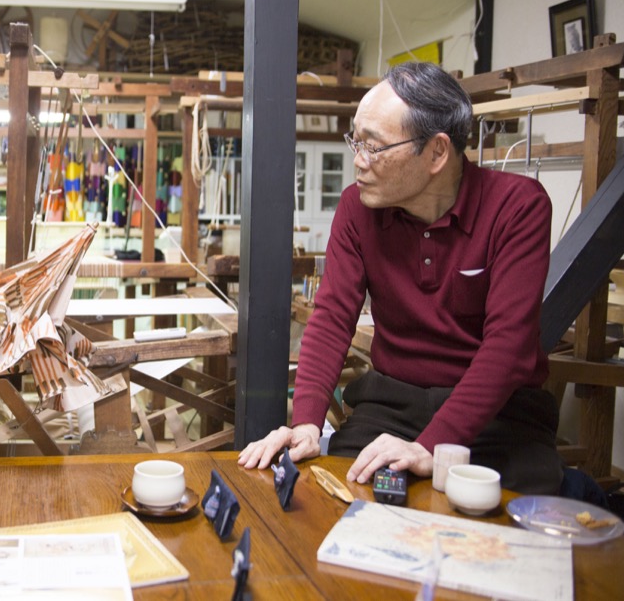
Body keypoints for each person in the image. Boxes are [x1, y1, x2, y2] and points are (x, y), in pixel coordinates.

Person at [238, 62, 562, 494]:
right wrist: (308, 423)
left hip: (499, 415)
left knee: (507, 515)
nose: (358, 161)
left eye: (374, 147)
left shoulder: (518, 207)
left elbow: (509, 347)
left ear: (436, 153)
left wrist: (431, 446)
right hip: (390, 404)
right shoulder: (358, 209)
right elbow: (333, 318)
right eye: (356, 140)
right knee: (327, 493)